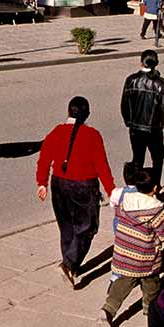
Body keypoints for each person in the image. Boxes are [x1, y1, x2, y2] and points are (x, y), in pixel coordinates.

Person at [36, 96, 114, 288]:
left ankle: (70, 263)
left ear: (68, 112)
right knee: (87, 227)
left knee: (67, 226)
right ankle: (69, 263)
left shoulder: (56, 132)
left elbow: (44, 159)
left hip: (59, 184)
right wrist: (111, 190)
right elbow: (101, 165)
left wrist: (42, 183)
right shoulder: (93, 135)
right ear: (87, 114)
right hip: (84, 186)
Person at [100, 165, 164, 326]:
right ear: (155, 188)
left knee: (123, 282)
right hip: (145, 256)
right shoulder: (157, 210)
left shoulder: (124, 202)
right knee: (151, 283)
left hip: (123, 251)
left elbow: (119, 217)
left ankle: (108, 308)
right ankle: (149, 309)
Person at [120, 49, 164, 185]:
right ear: (156, 63)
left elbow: (124, 104)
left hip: (135, 128)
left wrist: (129, 122)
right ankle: (155, 186)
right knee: (158, 159)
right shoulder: (162, 84)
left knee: (138, 159)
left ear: (140, 62)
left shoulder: (131, 80)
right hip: (154, 129)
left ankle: (138, 187)